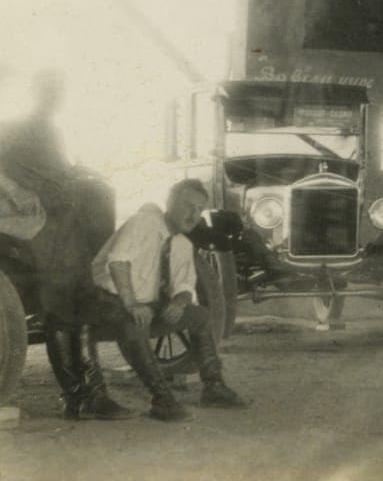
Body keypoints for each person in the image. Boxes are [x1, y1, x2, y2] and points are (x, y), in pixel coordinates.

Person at [0, 69, 130, 419]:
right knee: (65, 297)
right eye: (48, 90)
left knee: (80, 292)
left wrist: (81, 172)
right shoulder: (15, 127)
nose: (53, 98)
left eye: (58, 92)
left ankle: (89, 394)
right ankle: (81, 396)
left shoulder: (51, 131)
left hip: (63, 221)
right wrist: (16, 191)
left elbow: (59, 170)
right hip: (30, 223)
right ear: (35, 92)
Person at [86, 178, 247, 422]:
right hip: (103, 302)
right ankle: (162, 400)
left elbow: (185, 286)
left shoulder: (182, 244)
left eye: (199, 209)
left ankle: (214, 387)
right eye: (187, 206)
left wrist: (180, 302)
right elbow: (118, 262)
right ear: (170, 203)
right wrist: (132, 304)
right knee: (135, 322)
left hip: (141, 307)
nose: (193, 215)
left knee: (200, 316)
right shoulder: (144, 222)